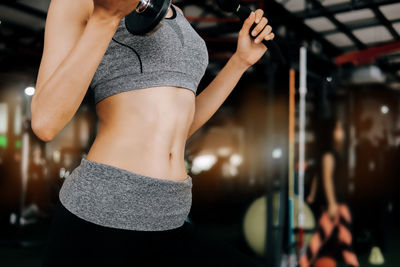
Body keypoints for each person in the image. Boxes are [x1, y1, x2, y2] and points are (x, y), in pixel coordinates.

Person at [31, 0, 275, 266]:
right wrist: (106, 17)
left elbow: (180, 126)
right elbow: (45, 123)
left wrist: (240, 62)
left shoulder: (176, 12)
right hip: (104, 213)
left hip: (171, 214)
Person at [302, 118, 359, 267]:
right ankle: (303, 263)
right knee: (319, 242)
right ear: (331, 132)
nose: (341, 132)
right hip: (335, 205)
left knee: (345, 241)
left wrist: (312, 195)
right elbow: (325, 179)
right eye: (338, 128)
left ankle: (303, 263)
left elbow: (317, 176)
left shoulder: (332, 153)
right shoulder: (328, 155)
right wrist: (332, 204)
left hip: (337, 204)